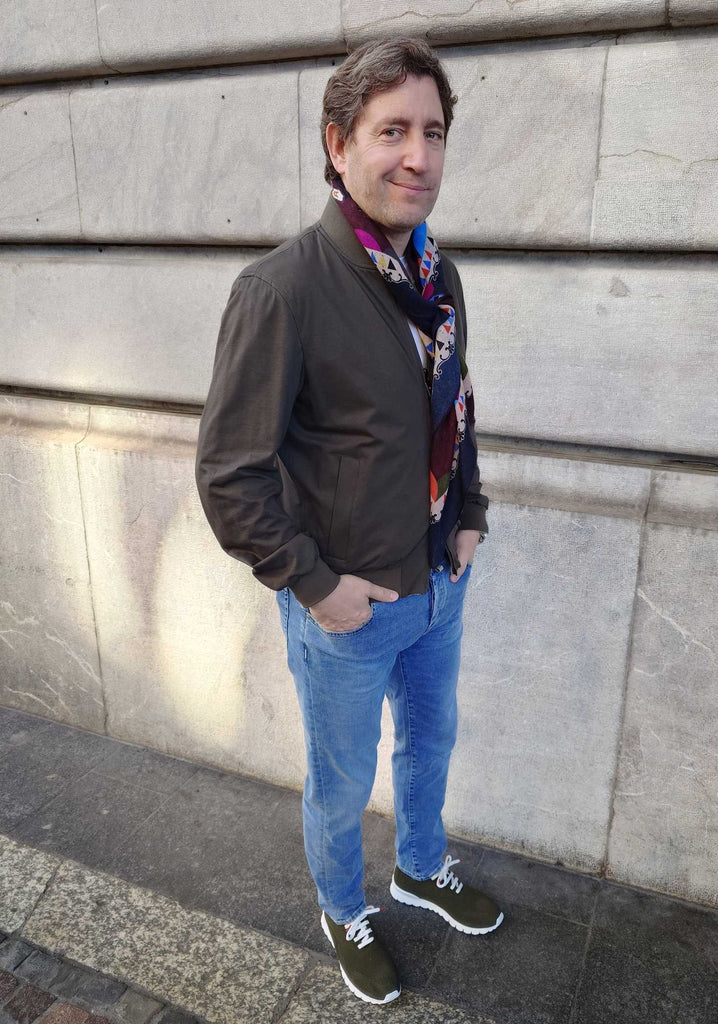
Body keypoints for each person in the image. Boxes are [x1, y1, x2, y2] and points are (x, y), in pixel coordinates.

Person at [195, 36, 503, 1006]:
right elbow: (229, 473)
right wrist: (316, 586)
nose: (418, 155)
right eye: (392, 131)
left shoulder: (437, 277)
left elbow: (453, 406)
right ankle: (341, 907)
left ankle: (419, 867)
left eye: (433, 133)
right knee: (339, 780)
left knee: (430, 743)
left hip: (438, 585)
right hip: (349, 608)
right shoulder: (282, 289)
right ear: (338, 144)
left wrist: (469, 514)